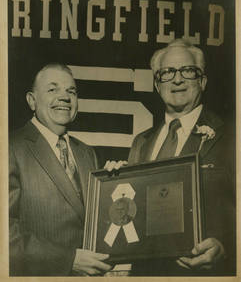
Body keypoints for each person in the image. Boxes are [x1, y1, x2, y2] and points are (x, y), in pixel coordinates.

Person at [106, 39, 236, 276]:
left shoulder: (232, 136)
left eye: (188, 71)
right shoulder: (141, 142)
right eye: (167, 73)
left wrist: (227, 246)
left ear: (202, 81)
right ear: (157, 85)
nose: (177, 79)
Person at [9, 63, 112, 276]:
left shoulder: (86, 153)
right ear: (31, 100)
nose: (64, 97)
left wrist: (117, 186)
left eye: (71, 91)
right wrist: (68, 260)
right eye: (52, 89)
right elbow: (4, 235)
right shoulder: (9, 147)